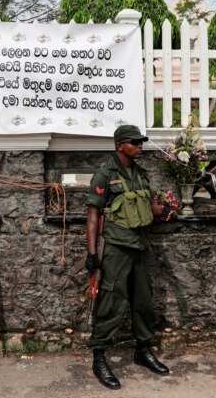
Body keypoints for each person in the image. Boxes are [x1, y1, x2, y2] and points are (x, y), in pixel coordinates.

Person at [85, 125, 169, 390]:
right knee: (111, 301)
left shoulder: (141, 174)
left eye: (141, 142)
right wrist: (92, 253)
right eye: (135, 142)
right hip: (117, 249)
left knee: (143, 301)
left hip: (140, 247)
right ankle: (99, 356)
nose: (140, 145)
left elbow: (148, 207)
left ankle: (142, 350)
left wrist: (163, 207)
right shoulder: (104, 175)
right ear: (120, 145)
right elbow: (93, 216)